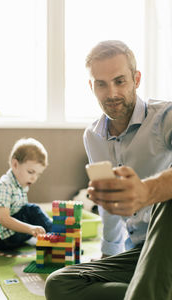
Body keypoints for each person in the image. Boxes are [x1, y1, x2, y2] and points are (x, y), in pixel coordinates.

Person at [44, 40, 172, 300]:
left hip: (166, 244)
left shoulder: (164, 118)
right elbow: (108, 203)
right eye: (101, 84)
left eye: (120, 81)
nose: (112, 93)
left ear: (136, 79)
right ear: (91, 86)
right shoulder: (93, 136)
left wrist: (148, 191)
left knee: (165, 199)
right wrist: (108, 253)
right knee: (59, 284)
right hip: (138, 252)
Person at [0, 137, 52, 250]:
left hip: (9, 235)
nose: (34, 178)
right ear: (15, 164)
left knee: (30, 211)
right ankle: (57, 232)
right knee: (32, 210)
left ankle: (54, 233)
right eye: (31, 172)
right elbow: (4, 219)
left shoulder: (21, 185)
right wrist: (30, 228)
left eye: (38, 174)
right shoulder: (3, 186)